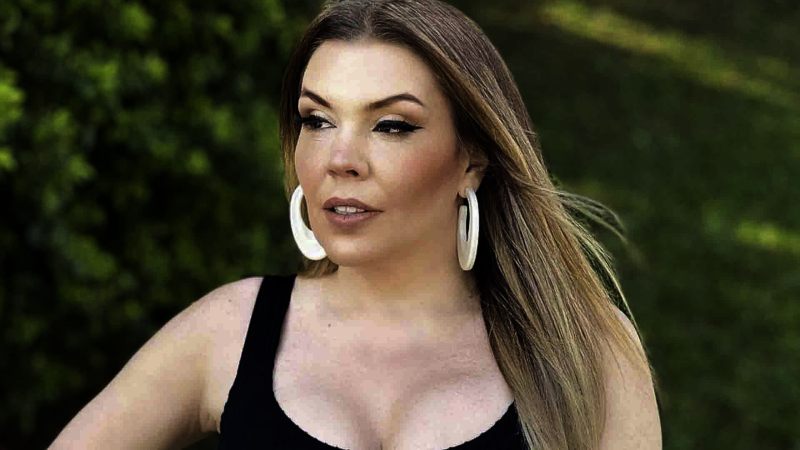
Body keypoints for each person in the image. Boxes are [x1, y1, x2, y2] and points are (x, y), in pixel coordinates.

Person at [51, 0, 661, 449]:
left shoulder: (584, 346)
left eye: (391, 126)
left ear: (471, 160)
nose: (339, 159)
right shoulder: (229, 330)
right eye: (317, 121)